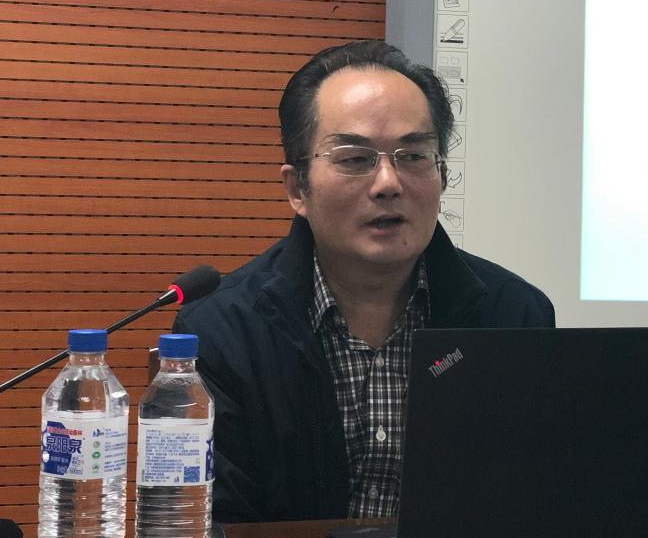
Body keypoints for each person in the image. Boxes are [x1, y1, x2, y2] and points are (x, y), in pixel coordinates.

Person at [174, 41, 554, 523]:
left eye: (413, 155)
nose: (388, 183)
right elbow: (212, 518)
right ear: (297, 188)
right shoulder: (223, 331)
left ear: (441, 173)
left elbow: (532, 502)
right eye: (355, 159)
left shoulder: (513, 316)